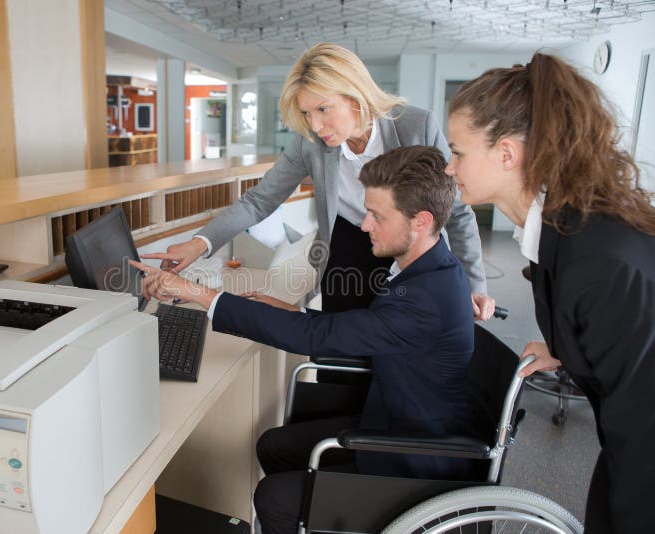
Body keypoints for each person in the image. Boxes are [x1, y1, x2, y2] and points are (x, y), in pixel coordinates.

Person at [131, 146, 477, 534]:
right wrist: (288, 309)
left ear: (421, 221)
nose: (364, 225)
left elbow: (322, 336)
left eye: (377, 215)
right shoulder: (426, 269)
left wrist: (197, 293)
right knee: (273, 446)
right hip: (393, 415)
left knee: (272, 498)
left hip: (411, 459)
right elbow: (359, 328)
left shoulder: (425, 297)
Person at [446, 52, 655, 533]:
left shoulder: (598, 260)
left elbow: (643, 430)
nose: (450, 167)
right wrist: (566, 348)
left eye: (458, 152)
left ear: (506, 153)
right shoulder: (561, 235)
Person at [144, 43, 494, 321]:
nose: (315, 125)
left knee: (411, 336)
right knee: (338, 336)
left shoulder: (416, 126)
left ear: (355, 97)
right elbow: (258, 201)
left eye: (323, 109)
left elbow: (458, 213)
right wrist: (200, 243)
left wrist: (473, 284)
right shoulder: (310, 143)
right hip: (350, 241)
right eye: (307, 114)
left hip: (413, 240)